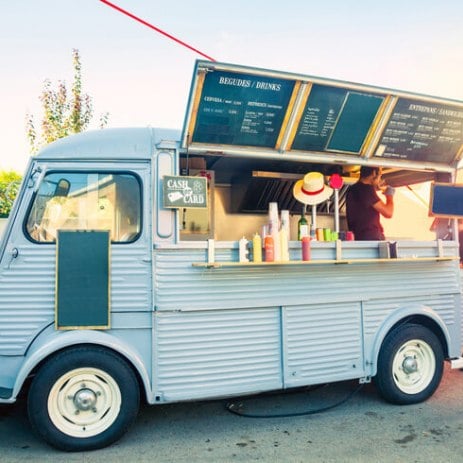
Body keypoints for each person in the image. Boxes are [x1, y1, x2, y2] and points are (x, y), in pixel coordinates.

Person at [346, 166, 395, 240]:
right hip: (370, 237)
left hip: (358, 237)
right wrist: (389, 196)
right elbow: (388, 213)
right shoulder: (366, 189)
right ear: (374, 173)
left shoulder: (353, 189)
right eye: (380, 175)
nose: (380, 179)